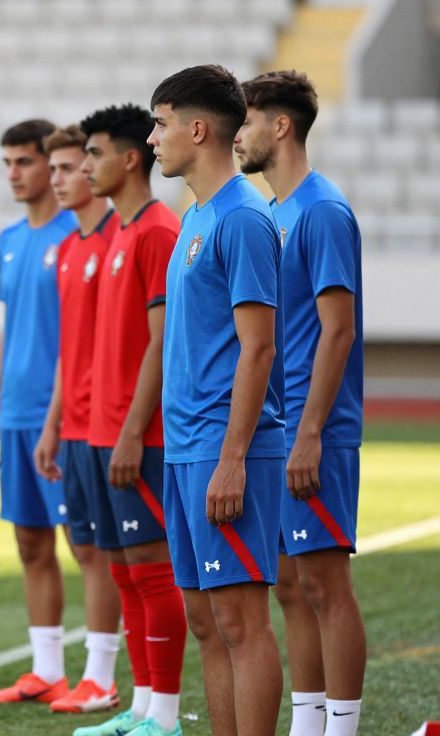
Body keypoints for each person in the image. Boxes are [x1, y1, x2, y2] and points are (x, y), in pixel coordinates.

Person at [148, 64, 286, 735]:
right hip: (185, 449)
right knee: (205, 620)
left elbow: (258, 348)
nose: (153, 139)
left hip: (228, 449)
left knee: (240, 620)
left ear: (197, 129)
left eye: (160, 123)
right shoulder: (195, 216)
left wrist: (233, 458)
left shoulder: (245, 219)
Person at [236, 70, 366, 736]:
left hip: (317, 430)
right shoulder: (275, 212)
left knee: (324, 584)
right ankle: (309, 724)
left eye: (248, 119)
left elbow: (337, 327)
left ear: (279, 126)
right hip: (279, 430)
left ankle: (340, 730)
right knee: (287, 586)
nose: (238, 134)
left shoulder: (321, 210)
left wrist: (311, 431)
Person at [0, 119, 109, 707]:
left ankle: (100, 673)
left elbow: (78, 337)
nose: (17, 174)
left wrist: (55, 418)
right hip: (16, 413)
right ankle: (46, 670)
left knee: (87, 547)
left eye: (25, 162)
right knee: (31, 544)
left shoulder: (74, 234)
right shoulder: (9, 238)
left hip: (66, 416)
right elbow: (11, 332)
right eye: (9, 163)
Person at [74, 104, 188, 736]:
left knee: (150, 569)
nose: (87, 165)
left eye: (94, 153)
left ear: (129, 158)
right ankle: (142, 707)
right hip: (104, 431)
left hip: (137, 435)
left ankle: (165, 717)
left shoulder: (155, 232)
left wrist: (129, 430)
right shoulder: (119, 232)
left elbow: (161, 341)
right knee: (123, 569)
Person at [30, 123, 125, 715]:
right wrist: (53, 424)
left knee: (120, 556)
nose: (65, 178)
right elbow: (71, 348)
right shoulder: (69, 249)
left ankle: (108, 678)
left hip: (111, 425)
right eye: (60, 168)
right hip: (75, 425)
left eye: (73, 165)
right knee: (86, 548)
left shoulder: (122, 236)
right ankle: (96, 677)